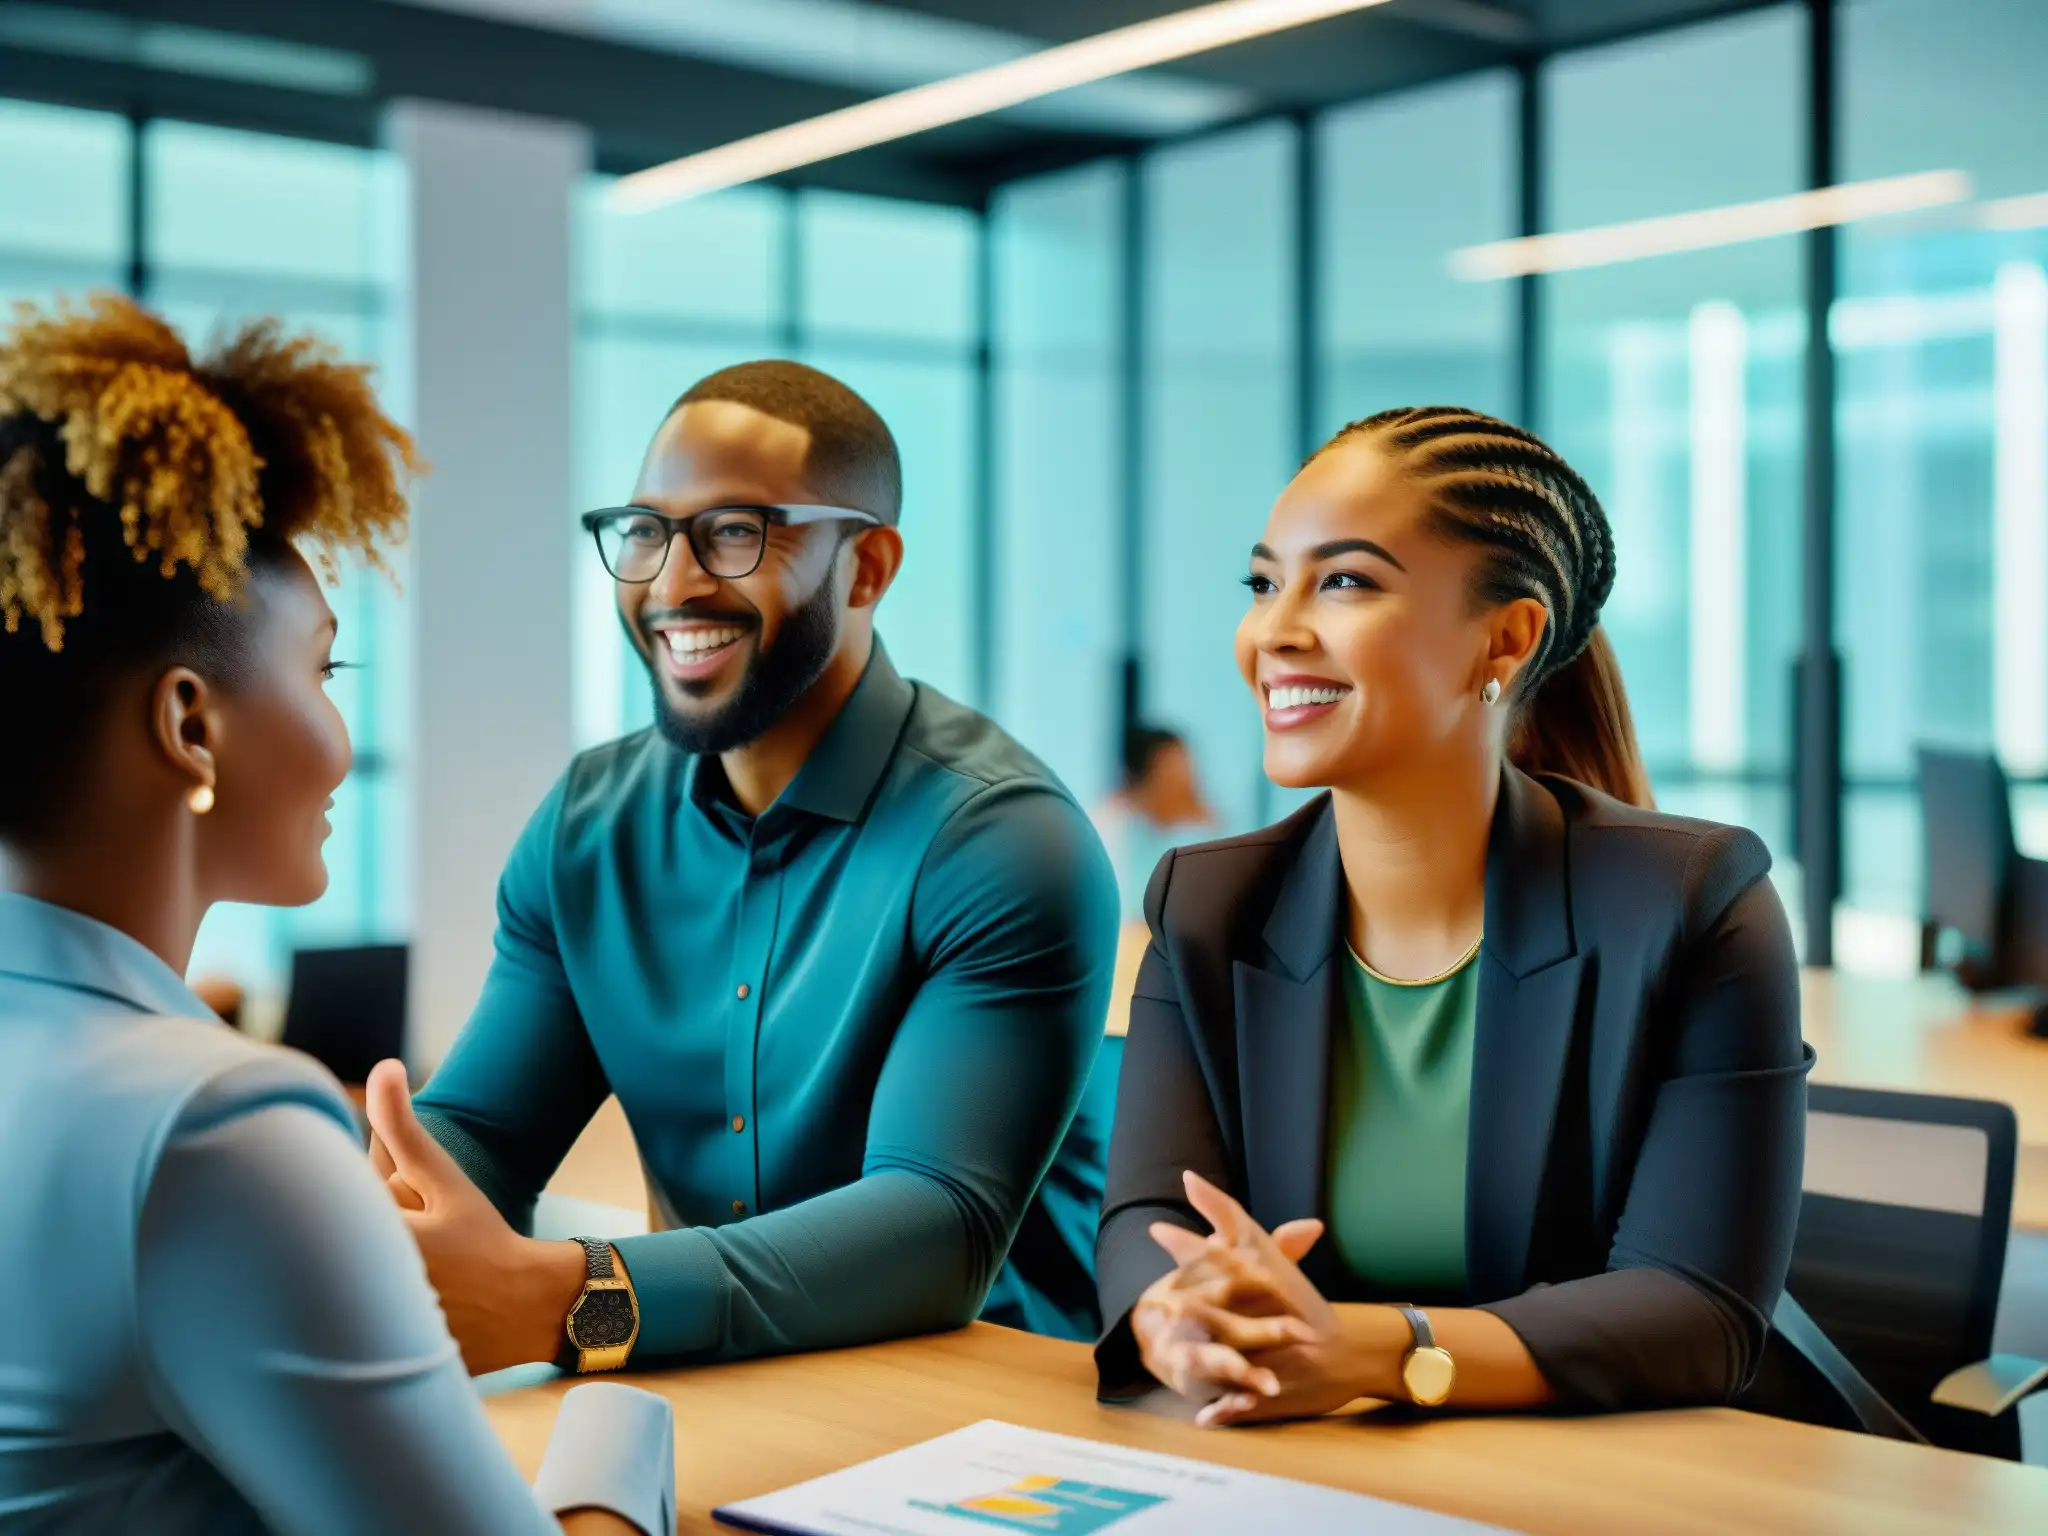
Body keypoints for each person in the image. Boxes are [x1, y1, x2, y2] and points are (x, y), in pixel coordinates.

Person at [0, 295, 674, 1535]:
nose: (340, 740)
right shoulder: (214, 1131)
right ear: (191, 723)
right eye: (323, 670)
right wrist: (618, 1444)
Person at [371, 359, 1120, 1371]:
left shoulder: (999, 840)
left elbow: (937, 1224)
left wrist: (571, 1297)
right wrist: (383, 1223)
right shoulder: (587, 827)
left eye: (733, 532)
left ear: (866, 568)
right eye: (644, 532)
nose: (673, 584)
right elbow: (485, 1129)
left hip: (976, 1420)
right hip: (704, 1388)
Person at [1096, 405, 1811, 1426]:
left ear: (1505, 637)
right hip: (1319, 1462)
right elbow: (1152, 1214)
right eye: (1263, 583)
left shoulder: (1690, 906)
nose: (1273, 632)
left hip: (1626, 1476)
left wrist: (1377, 1351)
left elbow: (1693, 1308)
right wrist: (1176, 1319)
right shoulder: (1206, 904)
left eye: (1342, 581)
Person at [1091, 725, 1216, 922]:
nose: (1190, 791)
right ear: (1144, 782)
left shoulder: (1186, 831)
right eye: (1175, 779)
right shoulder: (1111, 829)